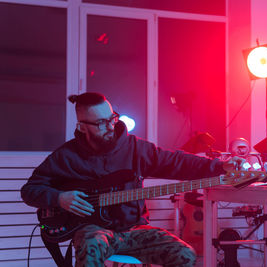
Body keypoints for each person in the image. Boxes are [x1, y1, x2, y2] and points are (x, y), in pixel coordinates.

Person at [20, 92, 245, 267]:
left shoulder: (134, 147)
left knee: (185, 254)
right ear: (82, 126)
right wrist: (59, 198)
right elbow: (30, 189)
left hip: (135, 229)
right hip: (95, 232)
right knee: (91, 245)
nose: (110, 126)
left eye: (112, 118)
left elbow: (177, 162)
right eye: (100, 124)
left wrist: (219, 166)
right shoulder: (66, 156)